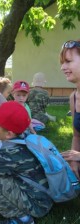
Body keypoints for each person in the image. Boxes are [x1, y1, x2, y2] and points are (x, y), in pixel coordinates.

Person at [59, 39, 80, 179]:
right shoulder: (73, 97)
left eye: (68, 61)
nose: (62, 67)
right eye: (62, 63)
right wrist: (73, 160)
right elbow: (77, 135)